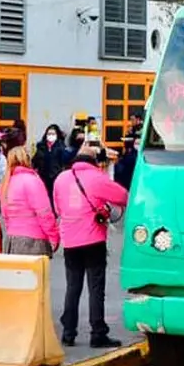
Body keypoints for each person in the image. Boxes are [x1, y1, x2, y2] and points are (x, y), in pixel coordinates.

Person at [53, 146, 128, 348]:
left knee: (72, 287)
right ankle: (98, 333)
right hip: (93, 240)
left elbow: (58, 208)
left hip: (70, 241)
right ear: (94, 161)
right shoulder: (98, 177)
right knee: (96, 289)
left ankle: (68, 333)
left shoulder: (61, 179)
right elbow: (123, 196)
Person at [0, 147, 59, 257]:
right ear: (28, 160)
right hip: (33, 240)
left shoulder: (5, 184)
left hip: (11, 240)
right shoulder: (32, 181)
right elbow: (44, 213)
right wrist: (53, 236)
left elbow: (5, 215)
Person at [34, 124, 72, 198]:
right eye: (49, 134)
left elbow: (65, 162)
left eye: (53, 134)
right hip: (43, 178)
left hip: (56, 178)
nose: (51, 136)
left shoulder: (61, 147)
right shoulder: (41, 147)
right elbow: (35, 161)